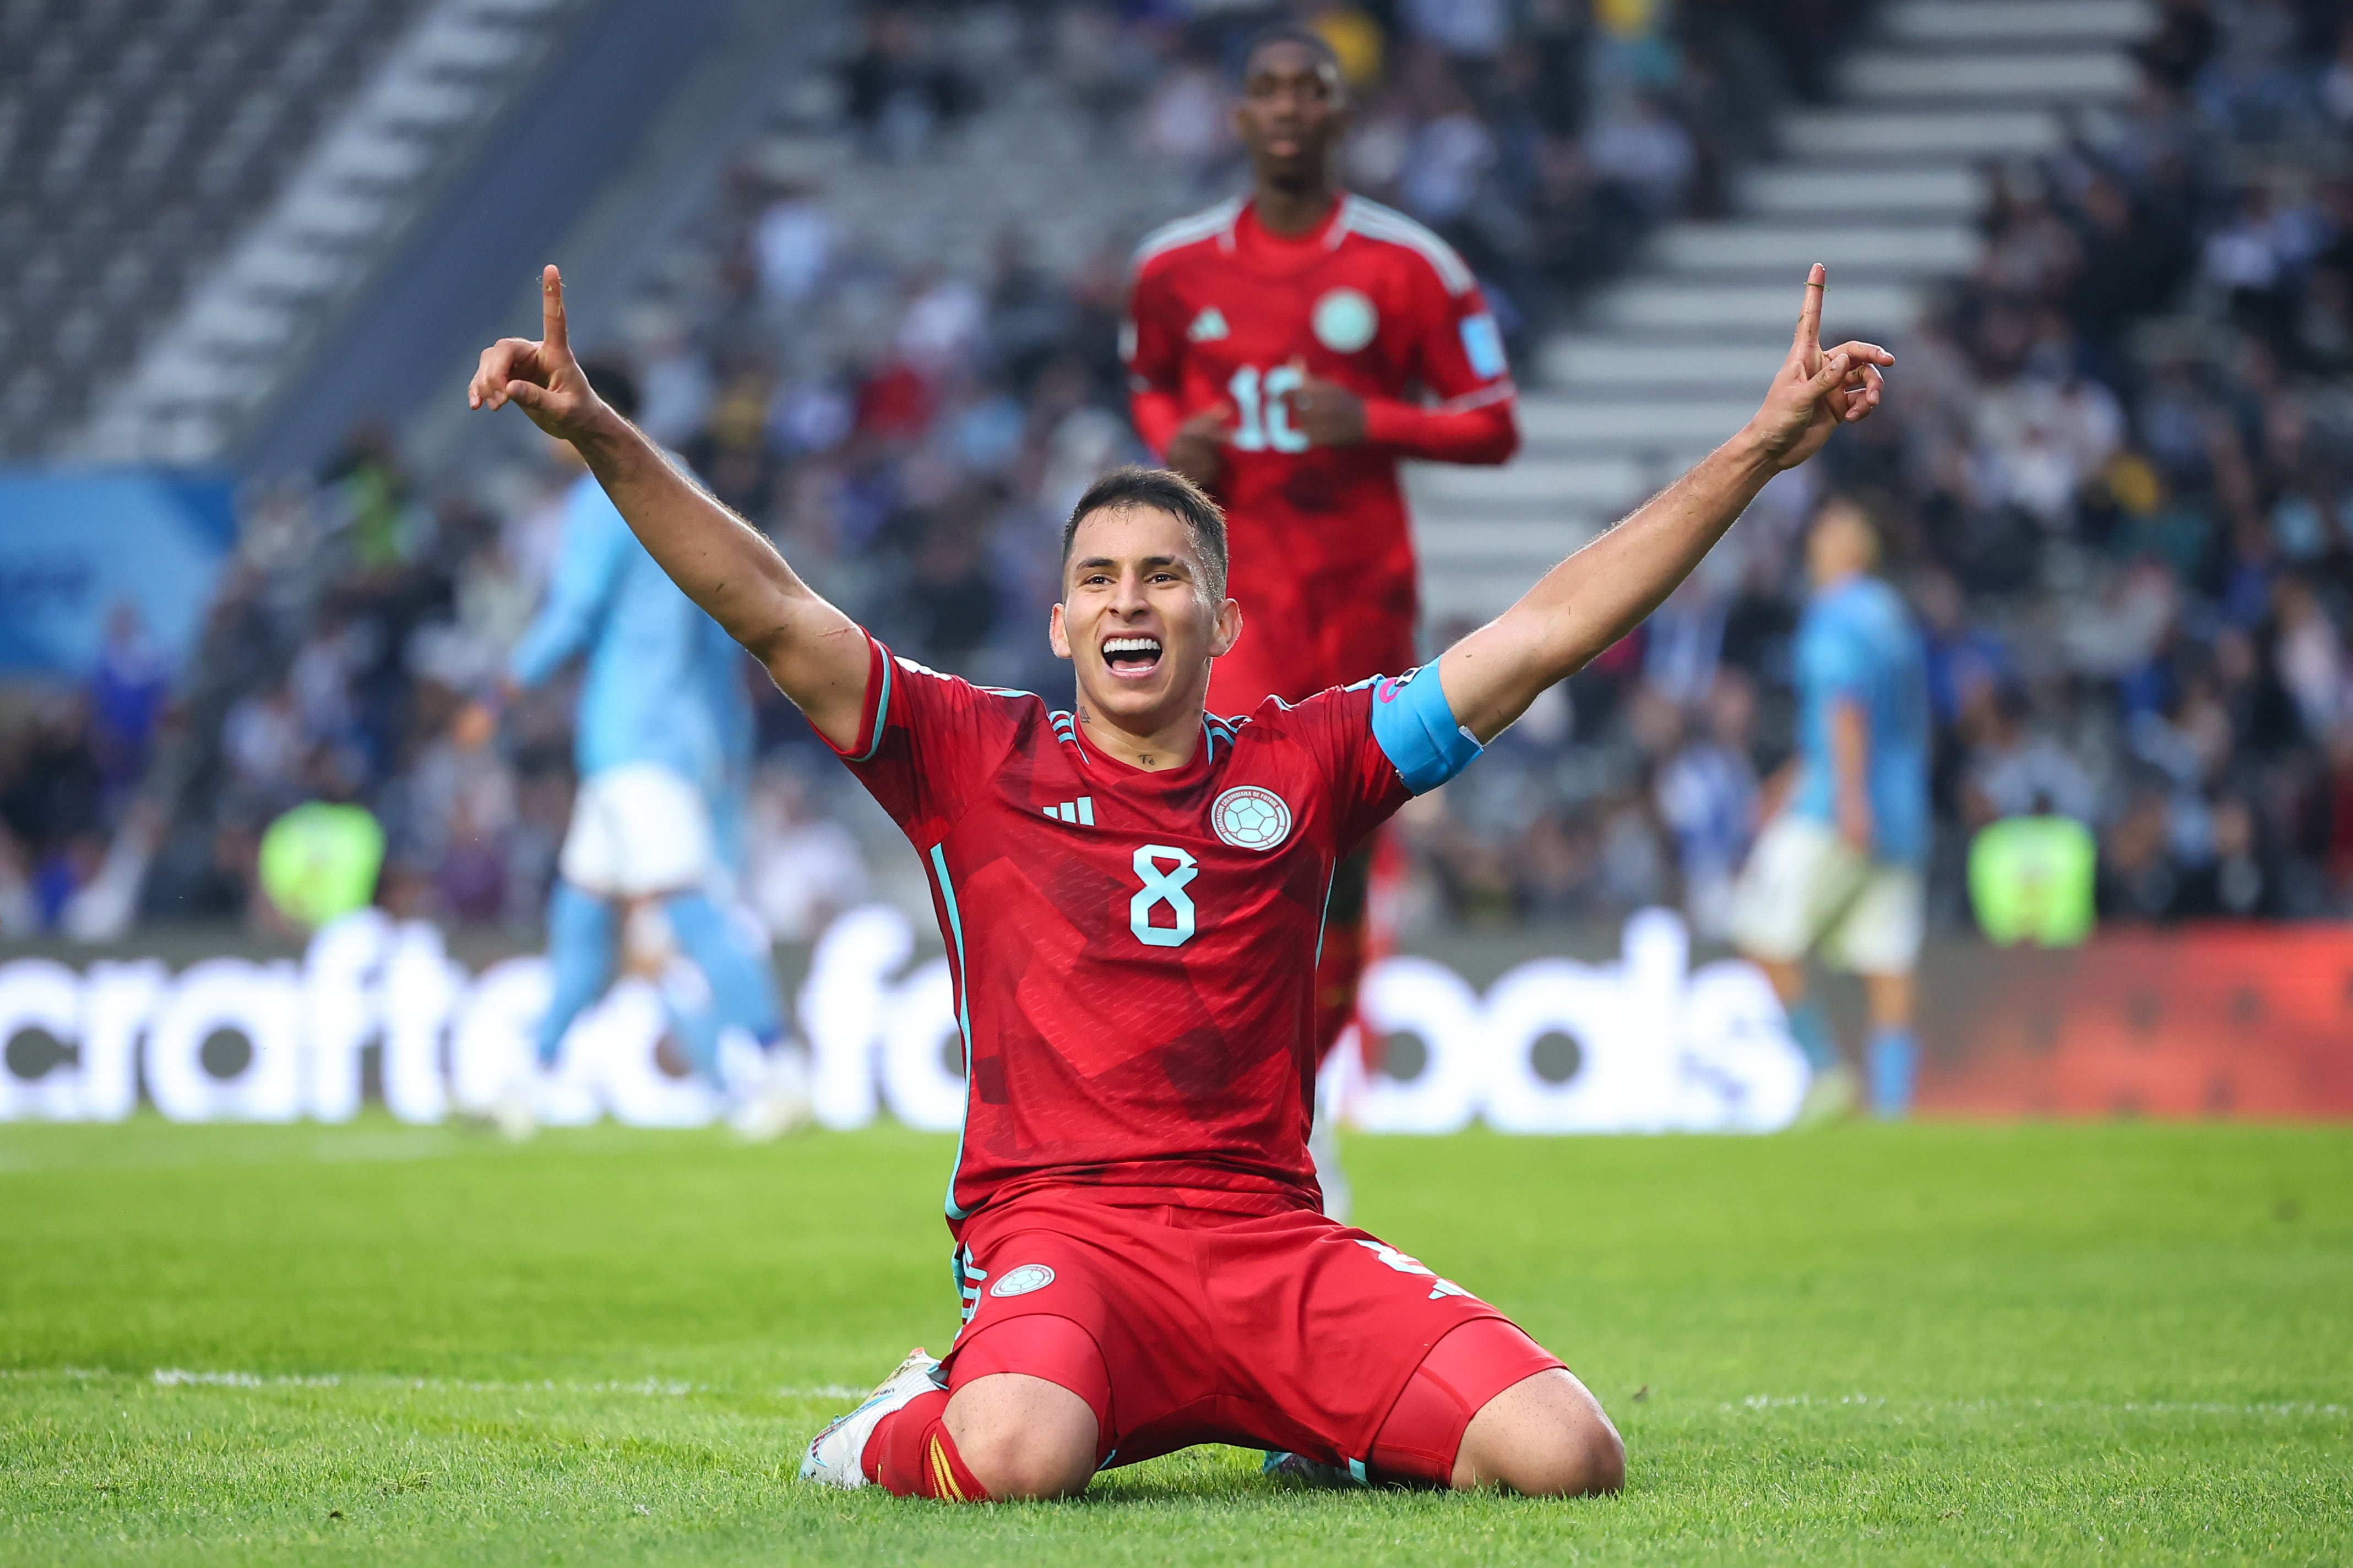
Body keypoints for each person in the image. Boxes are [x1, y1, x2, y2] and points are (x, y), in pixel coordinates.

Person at [469, 260, 1887, 1500]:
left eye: (1162, 575)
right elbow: (764, 604)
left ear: (1222, 615)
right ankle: (893, 1421)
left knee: (1569, 1452)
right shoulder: (967, 750)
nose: (1128, 599)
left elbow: (1541, 632)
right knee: (1014, 1453)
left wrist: (1758, 452)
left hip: (1268, 1235)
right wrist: (600, 435)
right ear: (1061, 615)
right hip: (1061, 1234)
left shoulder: (1313, 756)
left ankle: (1312, 1419)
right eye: (1097, 577)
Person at [1124, 25, 1520, 1215]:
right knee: (1241, 856)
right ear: (1237, 117)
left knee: (1338, 876)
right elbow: (1150, 381)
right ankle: (1224, 1122)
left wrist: (1376, 421)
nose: (1290, 109)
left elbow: (1492, 421)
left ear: (1345, 118)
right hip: (1233, 621)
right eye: (1268, 91)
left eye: (1314, 92)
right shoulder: (1173, 270)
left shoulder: (1409, 268)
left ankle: (1299, 1113)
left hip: (1358, 613)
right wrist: (1171, 448)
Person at [493, 360, 807, 1140]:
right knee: (582, 917)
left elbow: (572, 612)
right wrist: (725, 743)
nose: (551, 444)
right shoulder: (687, 486)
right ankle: (527, 1079)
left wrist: (499, 689)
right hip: (660, 742)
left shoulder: (608, 491)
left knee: (690, 914)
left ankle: (779, 1068)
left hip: (639, 740)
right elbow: (722, 627)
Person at [1730, 499, 1931, 1122]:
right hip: (1901, 809)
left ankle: (1824, 1071)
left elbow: (1845, 709)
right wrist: (1784, 784)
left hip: (1838, 810)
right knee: (1888, 958)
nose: (1813, 547)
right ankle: (1893, 1110)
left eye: (1824, 536)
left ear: (1849, 549)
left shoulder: (1834, 615)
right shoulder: (1893, 615)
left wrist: (1847, 798)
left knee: (1759, 932)